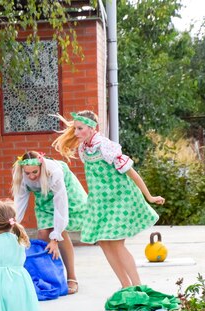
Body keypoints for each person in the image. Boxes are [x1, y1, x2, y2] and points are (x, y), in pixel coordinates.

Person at [52, 111, 165, 288]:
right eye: (75, 129)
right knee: (104, 243)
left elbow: (131, 173)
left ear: (91, 128)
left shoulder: (105, 146)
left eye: (80, 129)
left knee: (117, 243)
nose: (75, 133)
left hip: (121, 199)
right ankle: (125, 286)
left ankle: (138, 287)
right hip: (101, 202)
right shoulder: (84, 149)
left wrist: (149, 196)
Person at [11, 151, 87, 294]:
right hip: (44, 197)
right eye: (28, 173)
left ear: (41, 167)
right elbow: (19, 203)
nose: (31, 176)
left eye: (35, 172)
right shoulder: (21, 176)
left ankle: (72, 277)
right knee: (43, 234)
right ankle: (50, 277)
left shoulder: (54, 172)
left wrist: (56, 237)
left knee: (59, 233)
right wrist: (13, 227)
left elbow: (60, 205)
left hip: (65, 194)